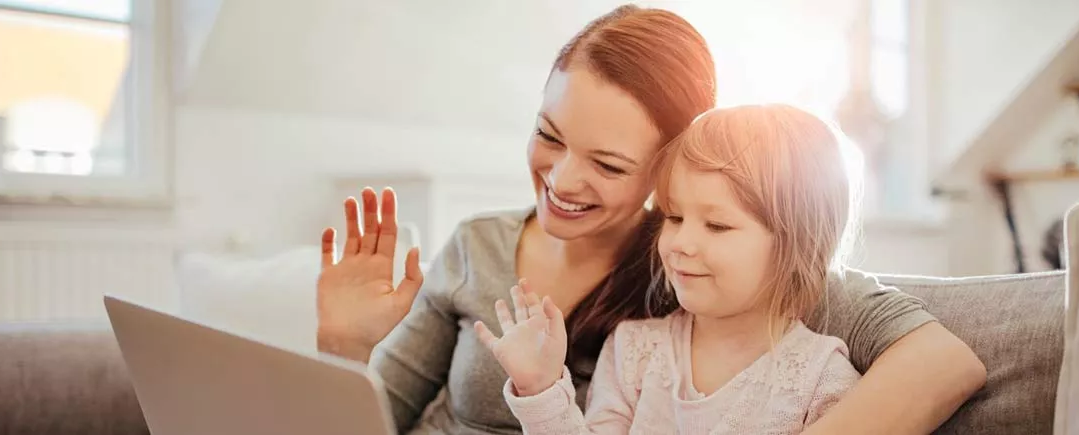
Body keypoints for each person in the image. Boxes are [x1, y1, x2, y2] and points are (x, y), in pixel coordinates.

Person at [316, 4, 986, 435]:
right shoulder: (479, 244)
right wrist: (345, 349)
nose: (560, 180)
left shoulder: (692, 271)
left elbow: (939, 359)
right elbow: (375, 417)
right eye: (550, 135)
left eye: (607, 164)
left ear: (670, 163)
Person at [478, 104, 863, 434]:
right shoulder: (634, 351)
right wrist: (541, 388)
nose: (679, 243)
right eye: (674, 217)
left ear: (798, 243)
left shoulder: (822, 378)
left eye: (717, 226)